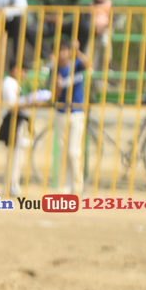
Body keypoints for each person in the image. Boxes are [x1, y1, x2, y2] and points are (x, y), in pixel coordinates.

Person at [0, 58, 43, 197]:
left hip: (18, 120)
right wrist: (30, 102)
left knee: (17, 155)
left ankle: (12, 185)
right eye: (23, 71)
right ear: (15, 69)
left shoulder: (14, 83)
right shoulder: (9, 83)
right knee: (15, 156)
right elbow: (12, 106)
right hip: (14, 120)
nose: (24, 74)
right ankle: (11, 186)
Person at [51, 37, 89, 195]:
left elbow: (88, 65)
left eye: (64, 50)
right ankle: (64, 186)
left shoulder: (76, 65)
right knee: (63, 152)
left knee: (74, 152)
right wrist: (58, 86)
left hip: (76, 112)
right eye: (59, 51)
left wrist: (77, 50)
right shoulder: (55, 70)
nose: (62, 54)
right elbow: (54, 96)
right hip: (61, 113)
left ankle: (77, 185)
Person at [88, 0, 113, 71]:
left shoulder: (109, 4)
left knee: (106, 43)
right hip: (93, 29)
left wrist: (105, 27)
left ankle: (107, 64)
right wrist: (95, 28)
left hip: (106, 28)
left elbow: (113, 18)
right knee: (91, 45)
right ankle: (90, 65)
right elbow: (88, 18)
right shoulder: (91, 5)